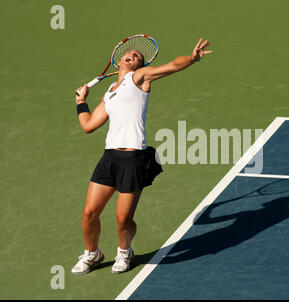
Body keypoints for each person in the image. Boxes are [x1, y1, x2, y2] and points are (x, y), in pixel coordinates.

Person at [71, 38, 212, 275]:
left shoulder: (140, 78)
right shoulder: (109, 93)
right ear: (119, 60)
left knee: (123, 219)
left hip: (133, 160)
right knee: (89, 213)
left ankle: (125, 252)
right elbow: (88, 125)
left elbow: (173, 66)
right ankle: (92, 254)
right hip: (109, 159)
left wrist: (192, 59)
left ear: (141, 65)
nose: (133, 55)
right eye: (129, 53)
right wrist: (81, 102)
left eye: (138, 56)